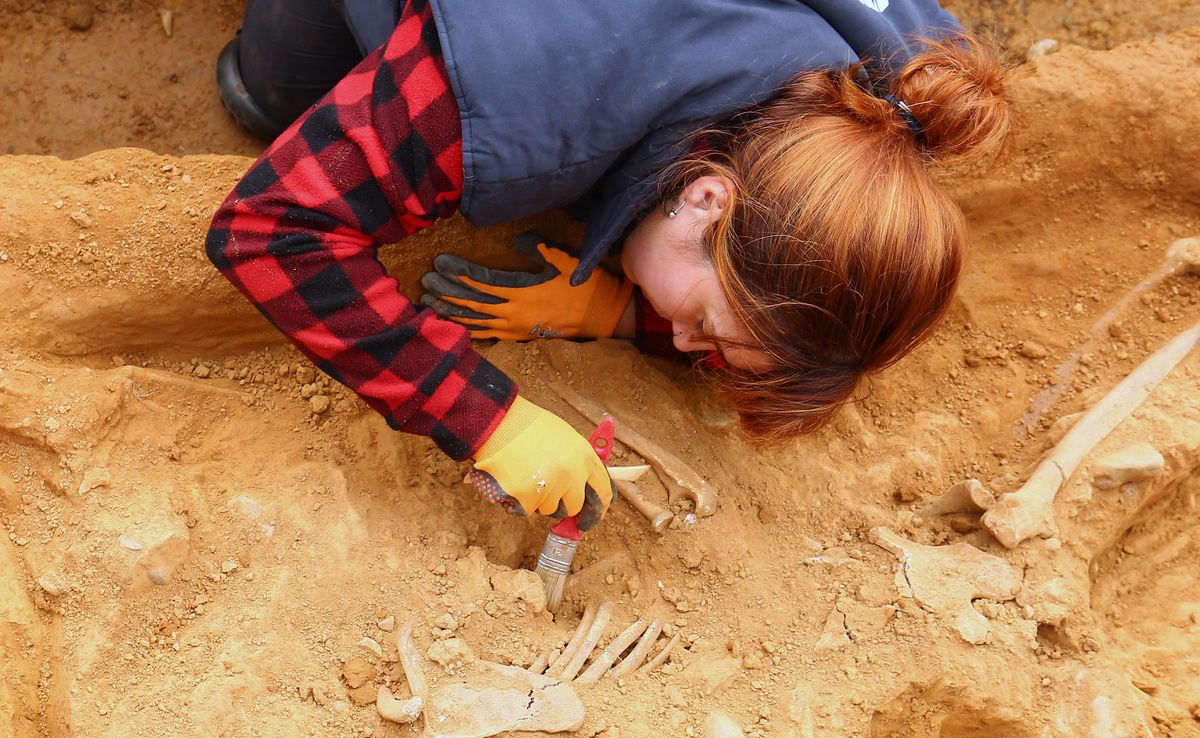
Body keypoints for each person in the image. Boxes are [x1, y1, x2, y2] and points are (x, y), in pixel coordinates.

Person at [206, 0, 1012, 533]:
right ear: (705, 201)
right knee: (274, 88)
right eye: (699, 325)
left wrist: (615, 313)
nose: (683, 337)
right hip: (546, 42)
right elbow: (273, 227)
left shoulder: (898, 107)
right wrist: (486, 418)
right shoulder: (533, 86)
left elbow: (783, 314)